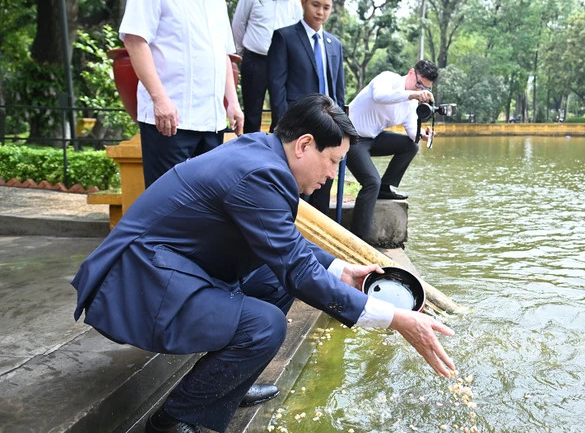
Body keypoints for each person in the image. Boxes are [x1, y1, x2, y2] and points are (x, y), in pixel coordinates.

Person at [70, 94, 455, 433]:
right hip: (138, 282)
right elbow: (299, 271)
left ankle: (227, 386)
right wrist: (398, 318)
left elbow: (282, 243)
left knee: (273, 282)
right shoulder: (258, 174)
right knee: (264, 326)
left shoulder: (262, 151)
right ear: (305, 145)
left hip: (171, 266)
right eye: (333, 161)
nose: (333, 175)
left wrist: (340, 269)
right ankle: (171, 421)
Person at [119, 0, 244, 188]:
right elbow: (135, 41)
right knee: (167, 205)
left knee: (207, 205)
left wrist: (232, 102)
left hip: (211, 124)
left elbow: (221, 53)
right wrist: (159, 99)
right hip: (169, 122)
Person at [267, 0, 345, 215]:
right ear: (304, 3)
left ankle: (317, 248)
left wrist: (342, 130)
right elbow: (277, 87)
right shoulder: (285, 37)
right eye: (316, 5)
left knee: (322, 193)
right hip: (297, 130)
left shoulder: (335, 44)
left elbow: (338, 91)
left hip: (328, 130)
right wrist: (284, 129)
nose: (321, 12)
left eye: (326, 7)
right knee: (292, 195)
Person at [346, 60, 438, 241]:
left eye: (425, 88)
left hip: (373, 138)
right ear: (412, 73)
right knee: (372, 182)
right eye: (419, 84)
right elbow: (379, 96)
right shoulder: (388, 78)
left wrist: (424, 134)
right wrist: (412, 94)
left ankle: (386, 187)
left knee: (411, 145)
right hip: (351, 137)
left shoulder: (411, 103)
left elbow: (413, 133)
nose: (420, 90)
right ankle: (358, 239)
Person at [231, 0, 306, 134]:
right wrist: (240, 55)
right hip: (254, 60)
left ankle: (276, 153)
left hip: (282, 65)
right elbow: (239, 25)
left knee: (281, 113)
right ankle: (251, 155)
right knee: (252, 112)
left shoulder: (295, 5)